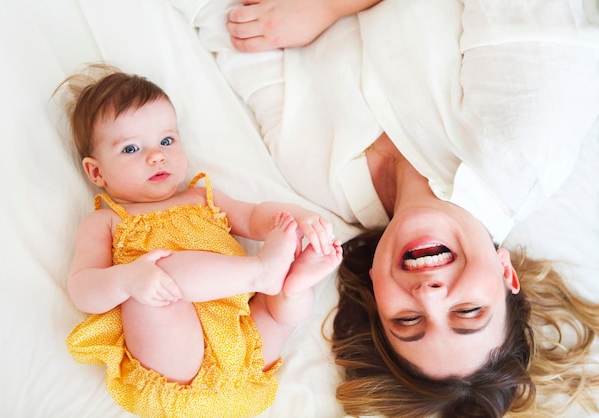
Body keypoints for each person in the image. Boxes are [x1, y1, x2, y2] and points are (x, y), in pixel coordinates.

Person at [172, 0, 599, 417]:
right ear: (506, 275)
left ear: (377, 288)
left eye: (408, 321)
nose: (430, 296)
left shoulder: (320, 179)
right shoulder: (525, 140)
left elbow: (231, 24)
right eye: (468, 311)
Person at [55, 64, 343, 418]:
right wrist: (127, 279)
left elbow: (254, 217)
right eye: (131, 149)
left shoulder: (203, 197)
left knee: (279, 309)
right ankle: (263, 273)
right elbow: (83, 288)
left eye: (166, 141)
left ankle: (292, 286)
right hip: (178, 369)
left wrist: (294, 217)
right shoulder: (106, 220)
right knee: (158, 278)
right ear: (96, 172)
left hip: (243, 364)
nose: (156, 155)